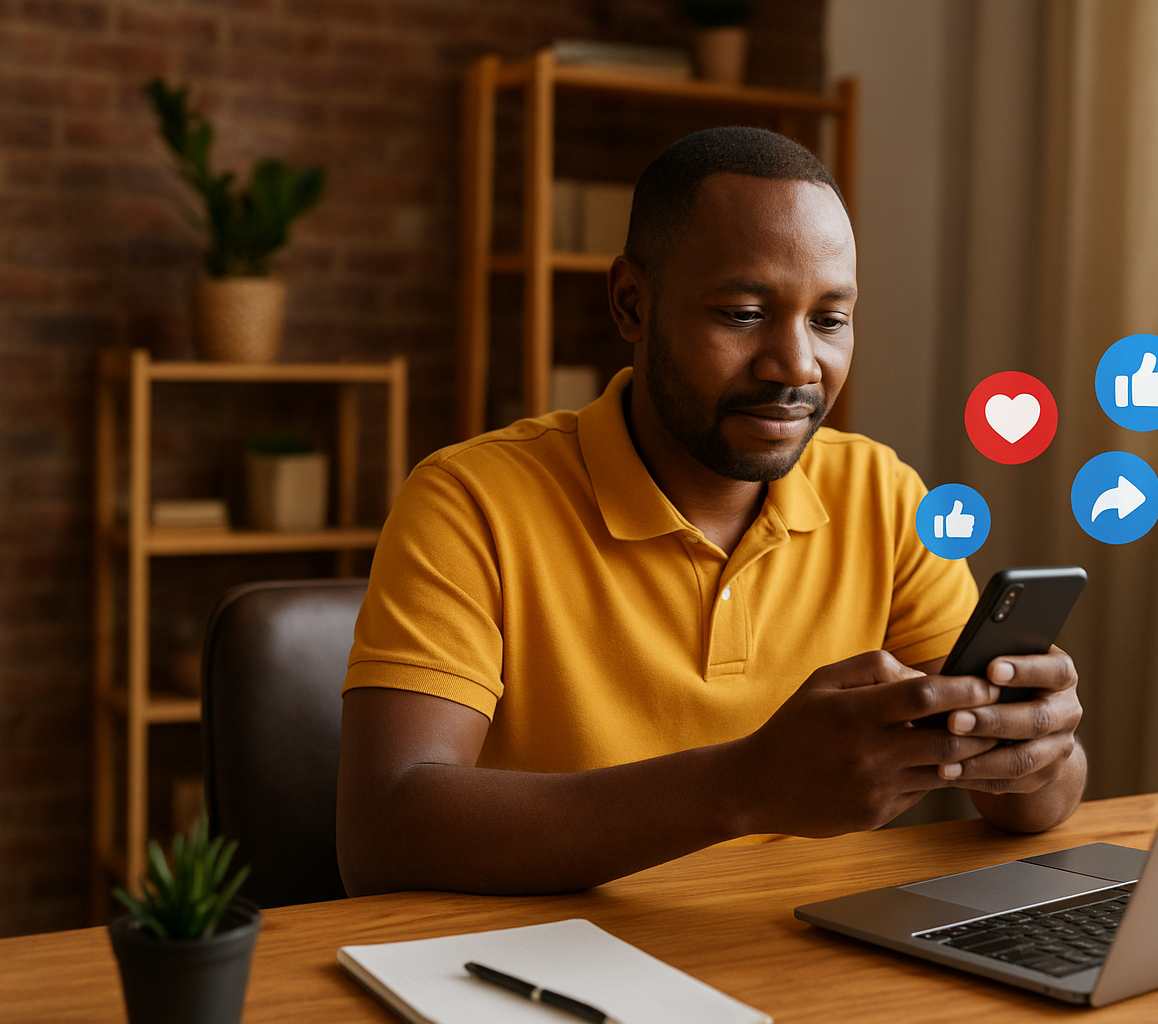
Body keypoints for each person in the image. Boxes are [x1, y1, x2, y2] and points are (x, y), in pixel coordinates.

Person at [336, 127, 1087, 897]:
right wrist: (745, 787)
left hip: (811, 947)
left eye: (829, 320)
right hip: (551, 955)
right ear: (632, 304)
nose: (796, 365)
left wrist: (1037, 748)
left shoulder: (884, 494)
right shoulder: (470, 500)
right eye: (744, 313)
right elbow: (385, 831)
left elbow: (1028, 801)